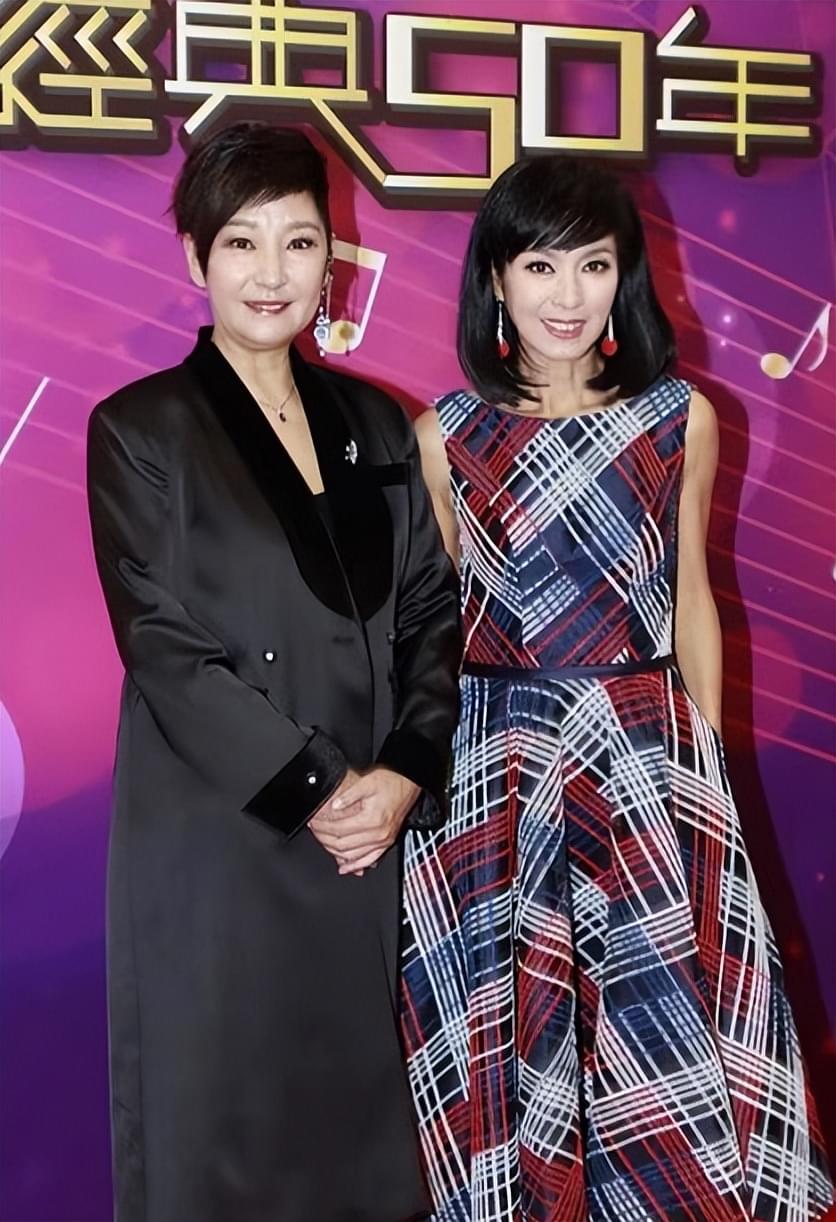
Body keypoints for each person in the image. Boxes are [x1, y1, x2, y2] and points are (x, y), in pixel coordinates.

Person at [400, 156, 833, 1222]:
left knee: (663, 1027)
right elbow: (432, 630)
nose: (567, 294)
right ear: (495, 279)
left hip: (646, 759)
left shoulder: (677, 418)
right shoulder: (445, 436)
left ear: (623, 276)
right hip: (498, 772)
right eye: (539, 265)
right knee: (514, 1039)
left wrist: (704, 770)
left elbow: (690, 596)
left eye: (592, 265)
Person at [86, 121, 461, 1222]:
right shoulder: (141, 430)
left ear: (329, 259)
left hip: (365, 842)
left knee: (356, 1142)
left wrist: (401, 773)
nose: (270, 272)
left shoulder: (376, 422)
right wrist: (317, 789)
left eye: (298, 242)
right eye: (240, 243)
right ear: (194, 258)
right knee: (220, 1135)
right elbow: (165, 650)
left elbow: (428, 612)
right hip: (221, 835)